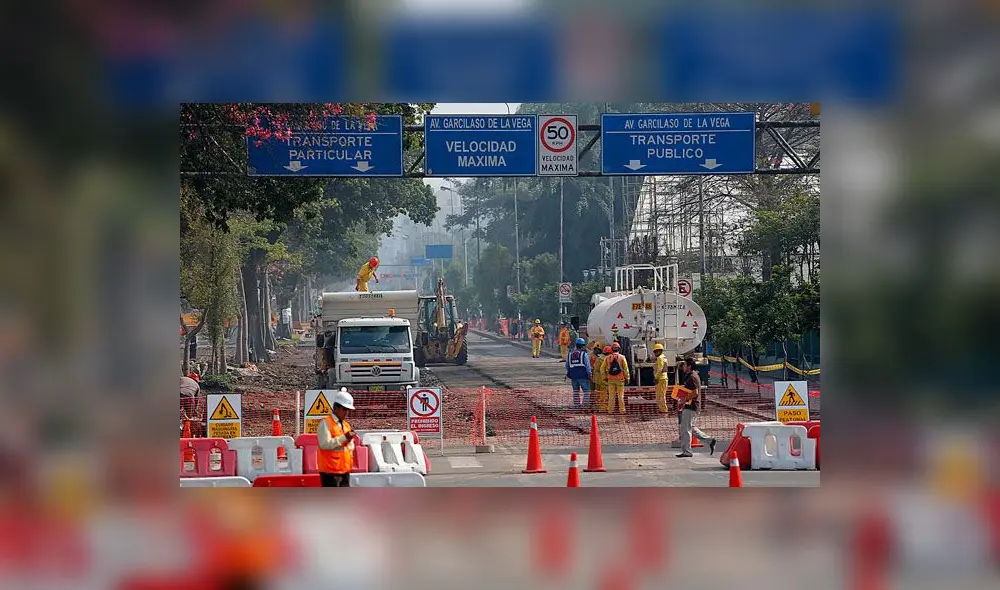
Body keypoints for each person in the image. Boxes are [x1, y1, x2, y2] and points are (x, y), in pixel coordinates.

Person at [675, 357, 717, 458]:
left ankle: (687, 451)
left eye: (685, 365)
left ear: (689, 366)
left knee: (686, 429)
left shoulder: (692, 377)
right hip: (691, 406)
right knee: (690, 428)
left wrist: (684, 400)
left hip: (691, 406)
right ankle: (710, 440)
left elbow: (695, 393)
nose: (683, 367)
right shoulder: (691, 376)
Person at [317, 388, 359, 487]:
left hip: (344, 471)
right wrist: (345, 438)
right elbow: (324, 444)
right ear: (336, 407)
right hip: (330, 473)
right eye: (344, 409)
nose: (346, 413)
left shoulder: (346, 426)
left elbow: (349, 448)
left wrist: (349, 440)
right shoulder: (325, 423)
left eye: (348, 410)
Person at [565, 338, 593, 410]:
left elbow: (567, 365)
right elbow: (587, 366)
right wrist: (590, 375)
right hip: (583, 376)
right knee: (586, 391)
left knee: (576, 392)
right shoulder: (584, 354)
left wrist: (569, 373)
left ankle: (577, 407)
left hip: (573, 376)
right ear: (583, 346)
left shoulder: (570, 354)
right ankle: (585, 406)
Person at [604, 342, 630, 414]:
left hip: (610, 379)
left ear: (612, 349)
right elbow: (626, 369)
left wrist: (605, 377)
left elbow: (602, 369)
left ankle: (610, 410)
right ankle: (622, 411)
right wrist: (627, 378)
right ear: (619, 349)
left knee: (611, 396)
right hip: (620, 380)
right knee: (620, 396)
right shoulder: (622, 357)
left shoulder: (607, 358)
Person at [652, 343, 669, 413]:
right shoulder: (663, 357)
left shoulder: (660, 358)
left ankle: (663, 410)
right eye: (654, 352)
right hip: (663, 378)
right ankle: (662, 409)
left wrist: (656, 378)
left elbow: (660, 369)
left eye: (656, 351)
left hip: (660, 379)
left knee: (660, 395)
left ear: (659, 351)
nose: (655, 353)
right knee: (661, 395)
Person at [592, 344, 609, 412]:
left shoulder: (598, 358)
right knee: (603, 394)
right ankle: (603, 408)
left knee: (597, 393)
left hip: (596, 379)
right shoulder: (606, 359)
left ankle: (597, 406)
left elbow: (594, 367)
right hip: (603, 380)